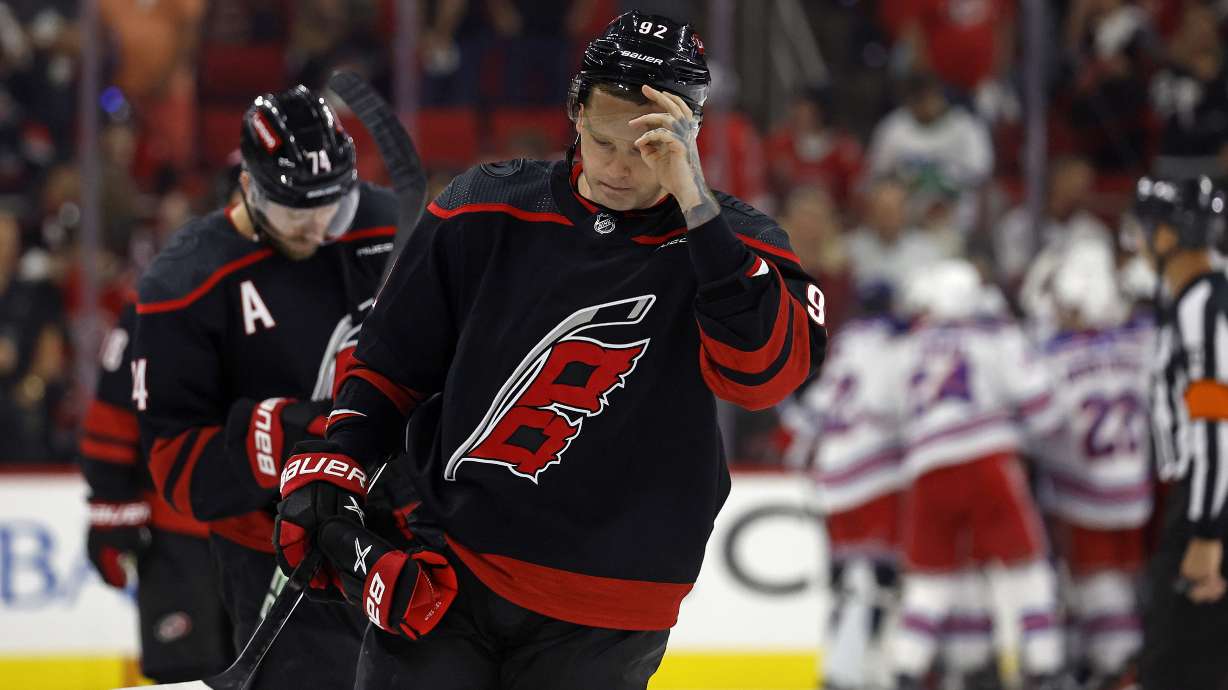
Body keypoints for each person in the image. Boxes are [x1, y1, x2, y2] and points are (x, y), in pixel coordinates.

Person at [272, 11, 828, 690]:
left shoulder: (737, 244)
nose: (621, 168)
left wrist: (696, 207)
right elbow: (392, 362)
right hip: (449, 570)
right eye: (603, 141)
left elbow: (763, 376)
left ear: (689, 138)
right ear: (574, 114)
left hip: (611, 605)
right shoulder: (485, 207)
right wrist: (342, 463)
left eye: (648, 148)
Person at [133, 85, 399, 689]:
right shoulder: (185, 280)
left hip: (402, 532)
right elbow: (177, 466)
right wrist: (273, 440)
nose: (316, 228)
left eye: (331, 206)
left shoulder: (389, 227)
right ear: (249, 187)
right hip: (278, 550)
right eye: (293, 211)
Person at [886, 259, 1065, 690]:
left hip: (926, 469)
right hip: (987, 462)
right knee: (1027, 570)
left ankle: (907, 670)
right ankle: (1046, 668)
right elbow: (1042, 406)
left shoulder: (907, 345)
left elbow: (891, 416)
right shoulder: (995, 334)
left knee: (930, 582)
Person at [78, 301, 233, 683]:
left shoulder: (285, 291)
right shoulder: (155, 306)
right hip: (176, 544)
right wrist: (111, 508)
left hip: (261, 537)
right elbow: (112, 418)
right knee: (185, 675)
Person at [1031, 239, 1151, 687]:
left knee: (1102, 605)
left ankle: (1121, 674)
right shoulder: (1141, 341)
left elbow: (1037, 422)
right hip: (1134, 494)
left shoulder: (1051, 354)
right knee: (1122, 592)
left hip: (1081, 498)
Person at [1133, 175, 1228, 690]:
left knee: (1172, 664)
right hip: (1206, 494)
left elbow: (1215, 422)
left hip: (1209, 497)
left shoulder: (1202, 307)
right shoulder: (1199, 301)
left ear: (1166, 236)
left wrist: (1206, 534)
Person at [785, 314, 902, 690]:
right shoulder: (890, 350)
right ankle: (869, 667)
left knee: (843, 581)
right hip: (874, 478)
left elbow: (804, 419)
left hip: (832, 482)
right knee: (883, 580)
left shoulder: (842, 353)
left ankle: (835, 664)